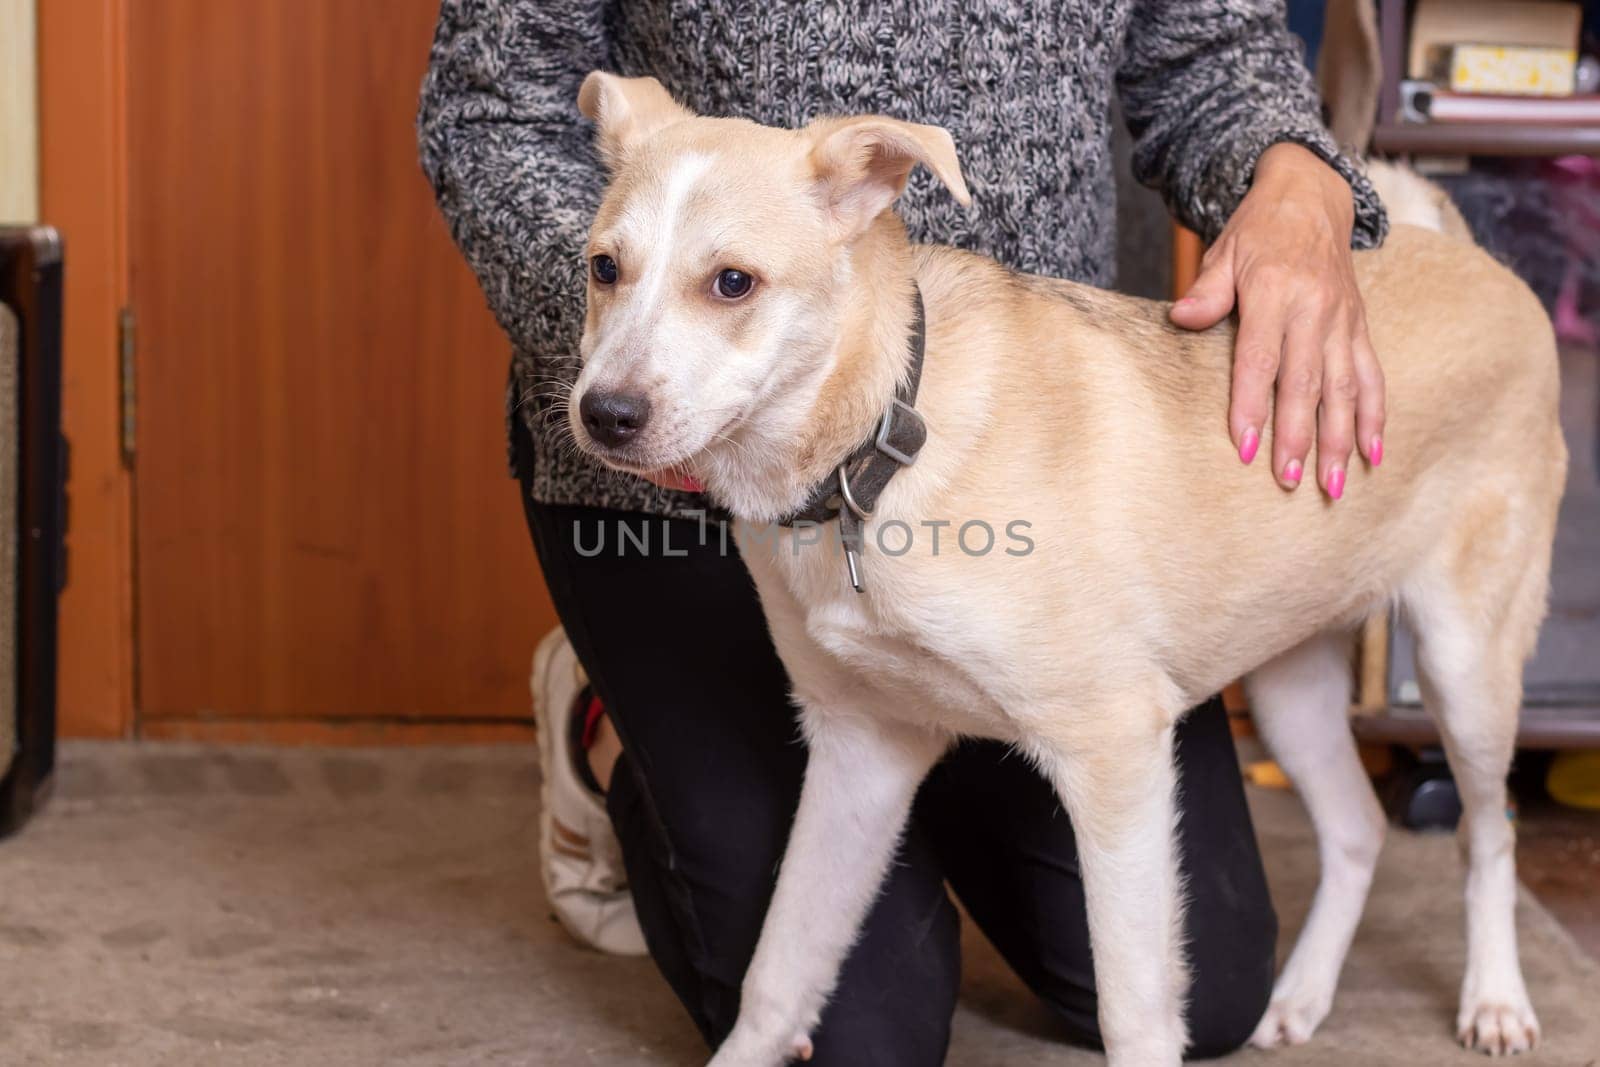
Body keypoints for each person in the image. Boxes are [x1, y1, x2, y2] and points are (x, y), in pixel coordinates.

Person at [418, 2, 1388, 1060]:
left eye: (727, 284)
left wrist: (1293, 169)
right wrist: (650, 364)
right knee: (861, 1038)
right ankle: (615, 719)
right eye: (620, 271)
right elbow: (492, 104)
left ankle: (926, 716)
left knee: (1212, 992)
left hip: (1001, 438)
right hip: (667, 507)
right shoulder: (638, 370)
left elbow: (1207, 51)